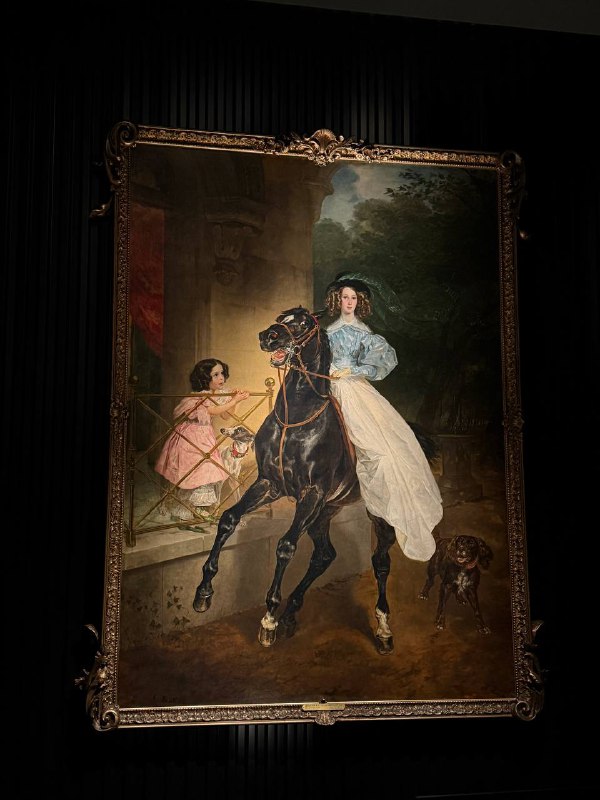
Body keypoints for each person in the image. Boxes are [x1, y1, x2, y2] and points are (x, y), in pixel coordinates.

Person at [324, 275, 443, 561]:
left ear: (359, 302)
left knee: (378, 447)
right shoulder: (328, 330)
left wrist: (352, 371)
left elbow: (384, 360)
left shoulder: (363, 331)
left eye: (353, 298)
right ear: (338, 300)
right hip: (326, 385)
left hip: (353, 389)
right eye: (345, 297)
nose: (349, 302)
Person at [155, 359, 249, 524]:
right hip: (190, 438)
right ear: (205, 378)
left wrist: (234, 400)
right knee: (195, 471)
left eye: (222, 373)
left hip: (205, 438)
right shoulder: (197, 397)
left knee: (206, 471)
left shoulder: (217, 394)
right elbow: (213, 410)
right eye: (216, 375)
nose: (221, 378)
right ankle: (187, 511)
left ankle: (192, 510)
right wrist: (234, 400)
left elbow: (226, 415)